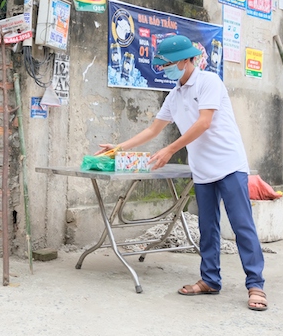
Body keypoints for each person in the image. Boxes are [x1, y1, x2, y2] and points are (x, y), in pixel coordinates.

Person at [96, 35, 267, 311]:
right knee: (206, 228)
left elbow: (204, 122)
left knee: (241, 225)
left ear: (188, 60)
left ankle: (256, 284)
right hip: (202, 171)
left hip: (229, 165)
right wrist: (117, 148)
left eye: (169, 63)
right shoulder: (173, 96)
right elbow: (153, 130)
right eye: (163, 65)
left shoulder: (209, 82)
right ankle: (210, 279)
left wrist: (169, 150)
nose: (165, 69)